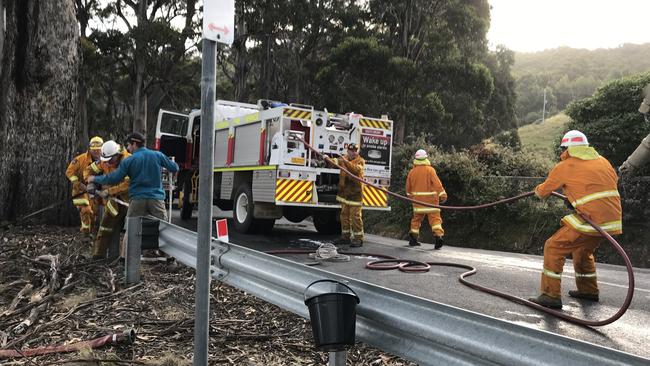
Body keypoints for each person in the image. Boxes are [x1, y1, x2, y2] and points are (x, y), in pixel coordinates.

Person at [529, 130, 622, 309]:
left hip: (592, 219)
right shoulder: (603, 161)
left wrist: (537, 190)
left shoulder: (565, 166)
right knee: (582, 250)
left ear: (567, 148)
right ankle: (588, 291)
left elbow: (542, 192)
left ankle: (550, 295)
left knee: (553, 246)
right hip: (612, 219)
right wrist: (574, 201)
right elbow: (596, 188)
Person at [88, 132, 179, 220]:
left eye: (128, 145)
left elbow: (114, 178)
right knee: (162, 228)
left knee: (132, 231)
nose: (127, 148)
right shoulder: (158, 155)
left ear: (134, 144)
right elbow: (174, 167)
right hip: (156, 199)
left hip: (137, 200)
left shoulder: (129, 160)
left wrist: (95, 178)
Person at [84, 140, 131, 259]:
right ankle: (98, 256)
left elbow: (127, 185)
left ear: (117, 155)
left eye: (110, 160)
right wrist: (90, 183)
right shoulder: (104, 160)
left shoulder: (128, 161)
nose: (108, 164)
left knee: (131, 230)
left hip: (128, 200)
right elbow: (88, 170)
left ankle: (125, 259)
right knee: (105, 226)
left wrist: (109, 191)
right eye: (106, 161)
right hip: (113, 200)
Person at [405, 149, 447, 249]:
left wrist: (411, 197)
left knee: (416, 220)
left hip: (418, 202)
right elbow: (437, 184)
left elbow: (408, 188)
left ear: (415, 159)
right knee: (435, 220)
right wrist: (443, 195)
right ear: (426, 158)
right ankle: (438, 237)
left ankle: (413, 239)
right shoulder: (430, 170)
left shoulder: (412, 172)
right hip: (431, 203)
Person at [65, 136, 104, 243]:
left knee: (94, 213)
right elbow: (69, 172)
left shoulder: (105, 160)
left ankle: (92, 233)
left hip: (95, 192)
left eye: (98, 150)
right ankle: (85, 234)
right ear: (90, 148)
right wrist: (79, 184)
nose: (96, 152)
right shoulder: (80, 159)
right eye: (94, 150)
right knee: (86, 210)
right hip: (80, 192)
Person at [328, 143, 365, 247]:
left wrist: (345, 162)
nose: (352, 152)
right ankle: (345, 237)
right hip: (345, 193)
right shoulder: (344, 159)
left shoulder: (360, 161)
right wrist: (327, 159)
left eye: (354, 151)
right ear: (348, 151)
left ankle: (358, 239)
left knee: (355, 217)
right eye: (350, 150)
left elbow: (355, 170)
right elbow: (336, 162)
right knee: (344, 216)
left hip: (355, 194)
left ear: (357, 152)